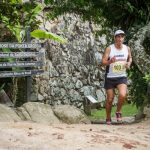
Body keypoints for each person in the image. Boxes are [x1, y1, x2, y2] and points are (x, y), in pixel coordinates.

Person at [102, 30, 132, 125]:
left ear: (124, 38)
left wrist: (129, 63)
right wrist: (110, 61)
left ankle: (118, 111)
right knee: (110, 99)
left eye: (121, 37)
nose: (120, 38)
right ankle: (108, 117)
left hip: (121, 76)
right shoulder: (109, 49)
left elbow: (130, 58)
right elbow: (102, 63)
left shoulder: (127, 48)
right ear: (115, 38)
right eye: (118, 37)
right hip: (110, 77)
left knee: (123, 95)